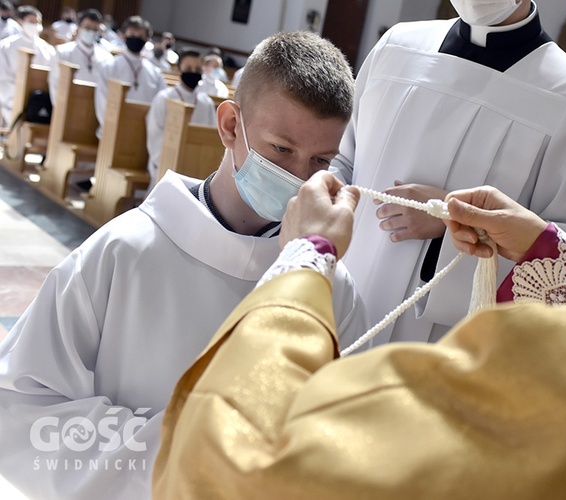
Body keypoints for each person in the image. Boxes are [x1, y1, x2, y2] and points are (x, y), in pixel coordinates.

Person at [152, 0, 566, 497]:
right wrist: (543, 250)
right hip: (350, 297)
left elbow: (234, 469)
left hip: (431, 341)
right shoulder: (395, 46)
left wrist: (307, 258)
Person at [0, 31, 366, 499]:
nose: (298, 176)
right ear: (231, 125)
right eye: (280, 149)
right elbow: (22, 405)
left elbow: (346, 435)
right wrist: (192, 461)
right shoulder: (124, 250)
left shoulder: (331, 287)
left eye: (320, 160)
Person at [330, 0, 566, 347]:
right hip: (342, 302)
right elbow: (341, 161)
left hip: (446, 344)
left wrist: (455, 227)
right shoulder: (396, 47)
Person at [145, 49, 216, 192]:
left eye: (197, 69)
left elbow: (212, 137)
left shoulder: (206, 103)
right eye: (188, 69)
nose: (193, 72)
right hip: (168, 165)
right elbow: (155, 135)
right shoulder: (164, 98)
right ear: (178, 70)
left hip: (197, 166)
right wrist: (169, 161)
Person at [94, 15, 165, 137]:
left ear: (147, 39)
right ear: (123, 36)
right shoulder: (110, 66)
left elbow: (160, 104)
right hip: (112, 131)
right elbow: (102, 100)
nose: (136, 38)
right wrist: (111, 126)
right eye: (132, 34)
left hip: (144, 133)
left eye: (140, 36)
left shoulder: (155, 73)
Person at [0, 5, 54, 127]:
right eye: (31, 21)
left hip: (38, 100)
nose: (35, 25)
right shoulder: (6, 45)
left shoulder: (48, 50)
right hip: (10, 98)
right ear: (21, 22)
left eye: (37, 22)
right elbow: (2, 77)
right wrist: (16, 97)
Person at [47, 8, 113, 105]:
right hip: (67, 107)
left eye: (95, 29)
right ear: (78, 28)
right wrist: (60, 108)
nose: (91, 32)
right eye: (87, 28)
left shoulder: (107, 58)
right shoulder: (62, 52)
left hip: (94, 108)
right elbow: (54, 83)